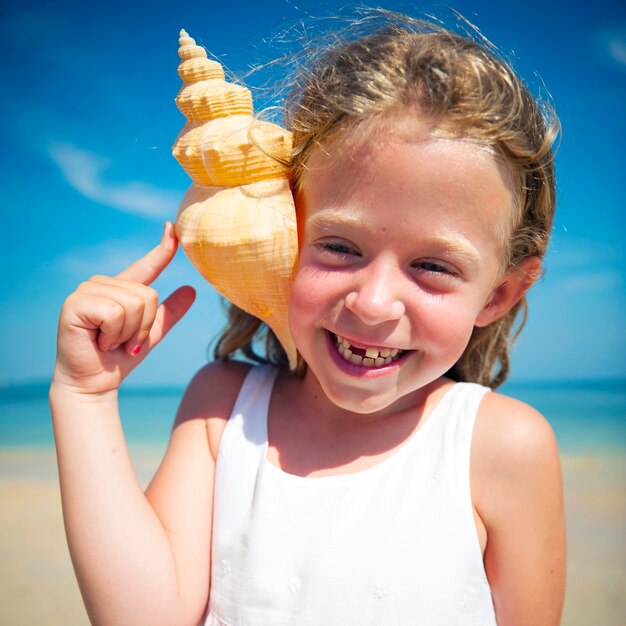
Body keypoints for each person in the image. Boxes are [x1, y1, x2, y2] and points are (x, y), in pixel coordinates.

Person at [50, 11, 566, 626]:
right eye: (341, 247)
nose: (372, 304)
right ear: (286, 233)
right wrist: (84, 396)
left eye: (432, 266)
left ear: (498, 294)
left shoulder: (501, 446)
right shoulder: (223, 413)